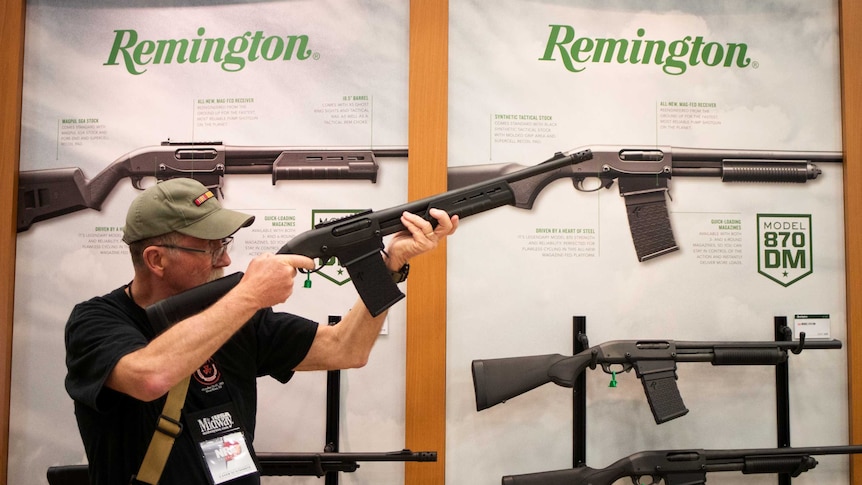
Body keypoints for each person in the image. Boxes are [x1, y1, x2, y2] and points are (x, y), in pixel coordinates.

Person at [64, 178, 458, 485]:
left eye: (226, 243)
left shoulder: (239, 316)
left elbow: (345, 350)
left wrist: (388, 266)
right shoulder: (97, 321)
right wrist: (249, 296)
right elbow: (151, 376)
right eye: (212, 248)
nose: (228, 257)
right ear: (156, 259)